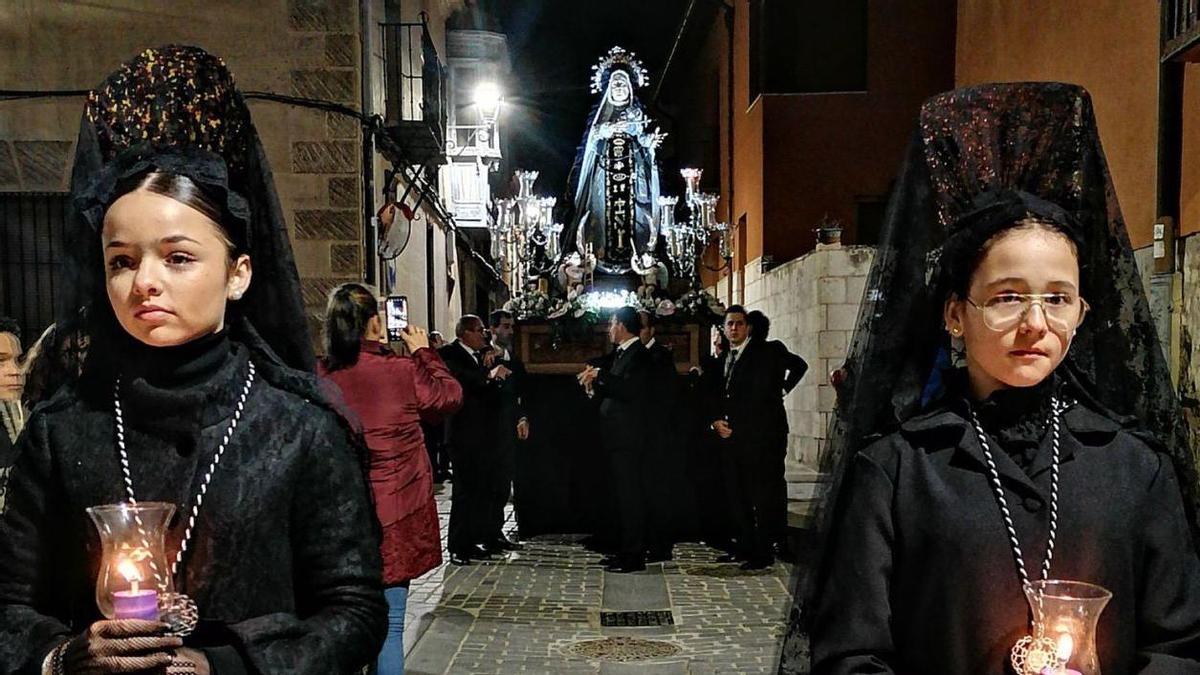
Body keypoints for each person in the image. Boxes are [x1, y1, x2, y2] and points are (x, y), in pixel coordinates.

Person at [0, 46, 386, 674]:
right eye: (122, 260)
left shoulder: (299, 428)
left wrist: (229, 666)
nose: (144, 281)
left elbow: (353, 612)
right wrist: (64, 657)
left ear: (238, 274)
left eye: (177, 257)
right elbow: (9, 605)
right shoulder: (62, 429)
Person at [802, 83, 1200, 674]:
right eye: (1007, 296)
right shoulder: (894, 471)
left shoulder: (1137, 468)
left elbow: (1180, 647)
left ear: (1083, 313)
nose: (1036, 324)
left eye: (1059, 298)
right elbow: (851, 656)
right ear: (956, 314)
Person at [318, 283, 462, 675]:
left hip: (339, 516)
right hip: (396, 511)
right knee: (391, 623)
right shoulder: (401, 371)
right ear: (375, 324)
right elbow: (448, 397)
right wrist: (423, 352)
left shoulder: (322, 374)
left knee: (342, 622)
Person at [560, 46, 664, 275]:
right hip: (603, 179)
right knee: (600, 214)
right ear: (608, 89)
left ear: (629, 89)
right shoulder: (600, 120)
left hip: (633, 181)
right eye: (615, 84)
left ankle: (639, 255)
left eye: (622, 84)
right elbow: (590, 147)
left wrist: (650, 143)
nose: (618, 88)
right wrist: (604, 130)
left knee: (635, 216)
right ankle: (597, 254)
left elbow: (645, 143)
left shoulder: (637, 116)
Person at [705, 306, 783, 570]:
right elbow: (716, 392)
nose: (734, 329)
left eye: (739, 324)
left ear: (747, 327)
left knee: (758, 495)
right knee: (736, 495)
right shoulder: (725, 356)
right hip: (729, 437)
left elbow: (760, 396)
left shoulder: (762, 353)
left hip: (755, 437)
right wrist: (715, 421)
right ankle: (744, 545)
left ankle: (762, 550)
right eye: (729, 325)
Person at [578, 306, 652, 572]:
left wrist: (601, 376)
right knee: (619, 497)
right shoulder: (622, 354)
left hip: (629, 438)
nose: (609, 329)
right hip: (615, 437)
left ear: (621, 325)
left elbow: (630, 390)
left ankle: (633, 556)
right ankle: (623, 549)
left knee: (631, 498)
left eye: (611, 324)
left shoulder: (640, 356)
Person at [439, 314, 510, 565]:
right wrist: (489, 375)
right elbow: (461, 381)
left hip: (482, 434)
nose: (484, 335)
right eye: (480, 330)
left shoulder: (481, 355)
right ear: (466, 333)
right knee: (463, 492)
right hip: (462, 434)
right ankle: (457, 545)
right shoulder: (450, 354)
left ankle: (473, 540)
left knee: (481, 490)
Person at [745, 310, 808, 560]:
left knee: (761, 485)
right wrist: (785, 387)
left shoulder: (757, 353)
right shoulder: (775, 350)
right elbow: (800, 365)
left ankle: (766, 537)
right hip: (774, 426)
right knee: (774, 483)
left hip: (761, 427)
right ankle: (777, 539)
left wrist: (782, 387)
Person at [481, 309, 528, 552]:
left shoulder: (513, 356)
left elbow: (519, 391)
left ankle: (495, 531)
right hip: (490, 429)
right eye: (506, 327)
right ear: (493, 329)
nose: (510, 331)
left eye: (511, 327)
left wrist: (522, 416)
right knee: (490, 484)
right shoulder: (486, 355)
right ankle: (486, 532)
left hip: (508, 426)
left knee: (502, 483)